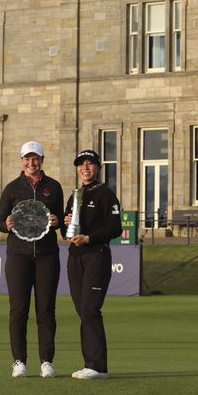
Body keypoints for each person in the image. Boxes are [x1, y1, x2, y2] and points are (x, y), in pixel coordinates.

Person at [0, 141, 64, 378]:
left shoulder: (53, 187)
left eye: (35, 158)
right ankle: (19, 362)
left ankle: (46, 361)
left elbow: (62, 221)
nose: (31, 163)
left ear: (42, 160)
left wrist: (57, 222)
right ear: (22, 160)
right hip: (18, 256)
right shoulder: (12, 188)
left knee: (46, 310)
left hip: (47, 255)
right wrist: (5, 225)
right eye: (27, 158)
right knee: (18, 310)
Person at [63, 149, 122, 380]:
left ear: (97, 167)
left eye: (90, 164)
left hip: (96, 255)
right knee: (82, 311)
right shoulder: (75, 195)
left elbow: (115, 227)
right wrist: (66, 223)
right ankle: (90, 364)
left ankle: (97, 367)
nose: (85, 168)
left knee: (90, 309)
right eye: (81, 164)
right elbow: (66, 231)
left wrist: (89, 237)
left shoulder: (106, 194)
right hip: (74, 256)